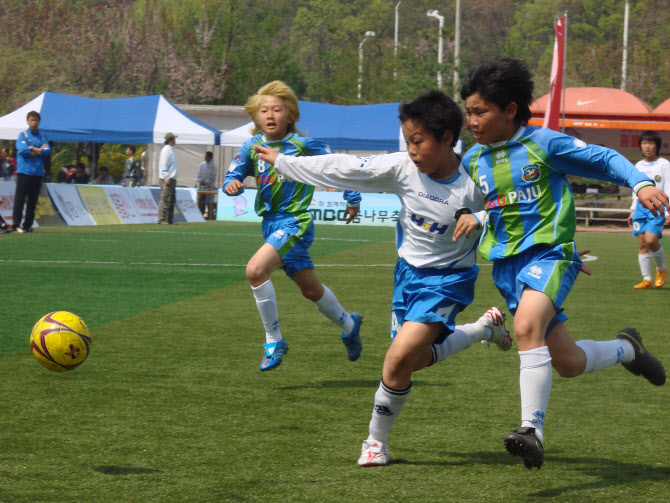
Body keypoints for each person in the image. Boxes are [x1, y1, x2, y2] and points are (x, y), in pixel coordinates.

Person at [254, 90, 513, 466]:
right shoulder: (402, 168)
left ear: (446, 139)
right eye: (407, 140)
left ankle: (375, 443)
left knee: (395, 361)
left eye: (418, 141)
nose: (410, 150)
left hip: (448, 281)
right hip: (407, 276)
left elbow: (515, 207)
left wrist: (483, 217)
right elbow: (342, 167)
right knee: (413, 361)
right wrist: (284, 163)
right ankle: (483, 329)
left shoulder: (476, 179)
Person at [455, 57, 668, 469]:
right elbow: (496, 207)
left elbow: (606, 160)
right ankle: (628, 349)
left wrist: (640, 183)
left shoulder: (544, 144)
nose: (472, 120)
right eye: (468, 112)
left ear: (510, 109)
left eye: (480, 111)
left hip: (552, 254)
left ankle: (530, 430)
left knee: (524, 327)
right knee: (568, 363)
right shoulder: (474, 160)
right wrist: (476, 216)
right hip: (507, 268)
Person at [223, 80, 363, 372]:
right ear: (256, 116)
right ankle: (350, 325)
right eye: (264, 110)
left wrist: (352, 197)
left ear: (291, 115)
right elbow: (231, 176)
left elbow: (338, 167)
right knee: (311, 291)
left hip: (295, 222)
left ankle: (273, 341)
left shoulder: (303, 145)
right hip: (271, 224)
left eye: (277, 109)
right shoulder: (251, 146)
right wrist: (232, 184)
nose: (270, 115)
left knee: (255, 270)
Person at [627, 130, 670, 289]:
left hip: (657, 206)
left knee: (651, 240)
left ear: (657, 146)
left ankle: (661, 269)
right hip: (640, 208)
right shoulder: (638, 165)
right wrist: (632, 209)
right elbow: (635, 190)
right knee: (642, 243)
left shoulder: (664, 164)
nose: (648, 146)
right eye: (644, 143)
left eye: (651, 143)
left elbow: (668, 187)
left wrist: (668, 211)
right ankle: (646, 279)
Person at [12, 110, 50, 233]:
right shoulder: (23, 135)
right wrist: (39, 151)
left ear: (39, 122)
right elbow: (23, 151)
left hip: (37, 173)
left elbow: (47, 151)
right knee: (20, 199)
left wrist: (32, 148)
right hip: (24, 172)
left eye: (36, 120)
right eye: (31, 120)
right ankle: (16, 224)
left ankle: (27, 225)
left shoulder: (42, 136)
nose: (33, 123)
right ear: (28, 121)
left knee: (33, 201)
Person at [158, 133, 177, 224]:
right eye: (174, 139)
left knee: (171, 199)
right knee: (165, 199)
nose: (175, 141)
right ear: (170, 140)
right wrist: (166, 176)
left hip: (172, 178)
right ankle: (162, 219)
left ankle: (169, 219)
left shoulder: (170, 150)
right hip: (167, 178)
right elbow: (164, 164)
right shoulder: (166, 150)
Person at [196, 151, 217, 218]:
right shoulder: (202, 165)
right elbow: (199, 174)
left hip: (209, 185)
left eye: (207, 156)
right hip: (201, 185)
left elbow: (212, 176)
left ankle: (210, 215)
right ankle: (200, 214)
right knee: (201, 200)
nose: (205, 157)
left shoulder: (214, 166)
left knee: (209, 201)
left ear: (210, 157)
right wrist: (200, 181)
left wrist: (206, 182)